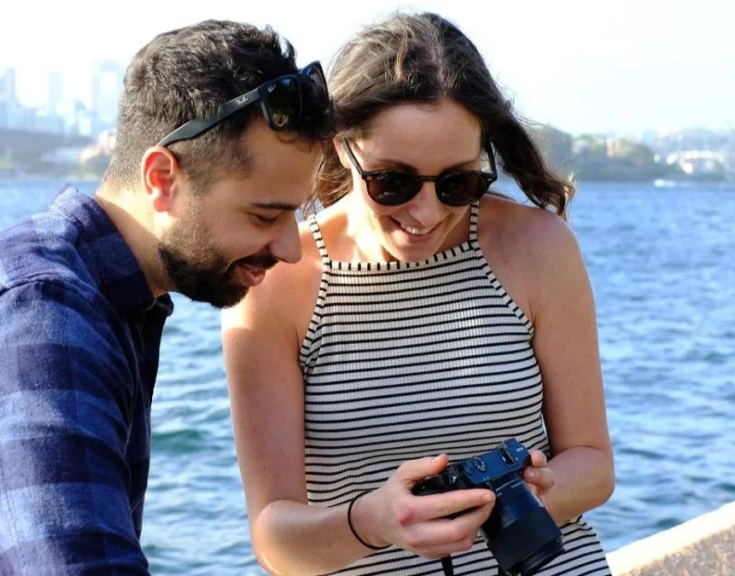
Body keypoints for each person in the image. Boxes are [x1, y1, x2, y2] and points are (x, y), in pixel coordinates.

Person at [0, 19, 333, 575]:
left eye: (295, 215)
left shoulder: (106, 300)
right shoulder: (35, 315)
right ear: (161, 178)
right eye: (264, 214)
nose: (289, 248)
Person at [221, 11, 614, 576]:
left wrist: (502, 499)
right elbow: (277, 541)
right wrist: (374, 522)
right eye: (392, 182)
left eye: (458, 182)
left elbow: (594, 466)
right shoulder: (280, 281)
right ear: (339, 147)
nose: (426, 213)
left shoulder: (539, 248)